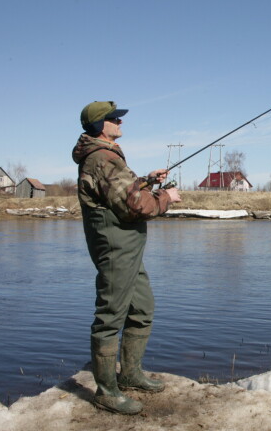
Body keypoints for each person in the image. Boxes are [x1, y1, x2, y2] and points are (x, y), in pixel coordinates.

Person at [72, 101, 181, 415]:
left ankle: (130, 374)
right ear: (100, 126)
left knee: (142, 307)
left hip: (128, 248)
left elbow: (121, 193)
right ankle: (107, 391)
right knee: (109, 317)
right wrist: (165, 197)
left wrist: (146, 181)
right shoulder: (102, 158)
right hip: (116, 247)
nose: (120, 122)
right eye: (114, 119)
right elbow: (134, 207)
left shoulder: (107, 155)